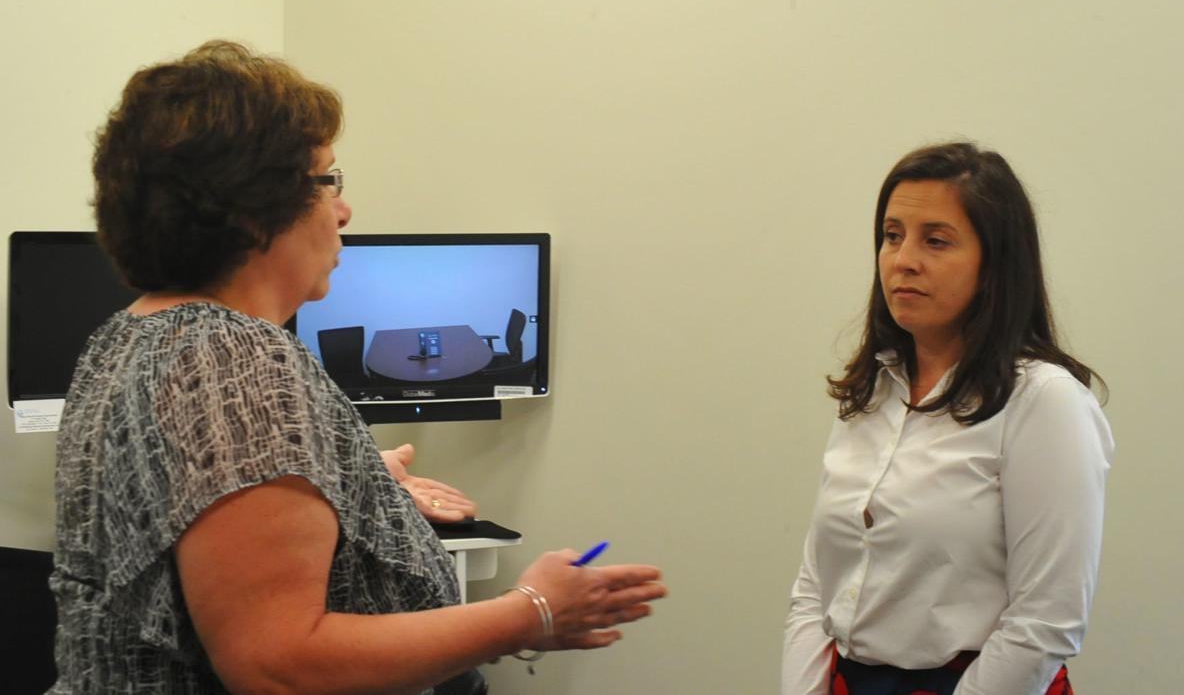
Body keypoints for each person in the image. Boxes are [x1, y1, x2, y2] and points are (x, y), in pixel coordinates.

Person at [50, 40, 666, 694]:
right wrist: (531, 614)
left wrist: (355, 493)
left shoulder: (129, 336)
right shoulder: (235, 364)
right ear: (254, 208)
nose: (343, 210)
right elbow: (279, 664)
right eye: (327, 181)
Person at [781, 142, 1113, 695]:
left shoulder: (1044, 402)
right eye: (892, 235)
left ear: (993, 266)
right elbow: (817, 585)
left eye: (935, 240)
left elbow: (1046, 621)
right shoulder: (869, 390)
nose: (903, 259)